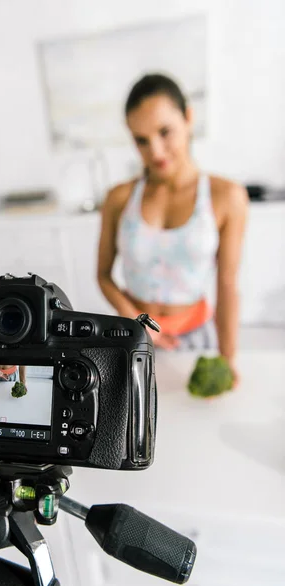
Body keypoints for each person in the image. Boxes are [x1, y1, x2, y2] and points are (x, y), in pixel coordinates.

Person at [97, 74, 248, 386]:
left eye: (165, 132)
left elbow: (227, 286)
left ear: (189, 118)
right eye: (141, 140)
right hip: (133, 336)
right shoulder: (119, 198)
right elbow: (103, 275)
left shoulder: (227, 197)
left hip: (194, 340)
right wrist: (135, 320)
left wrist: (228, 358)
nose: (155, 151)